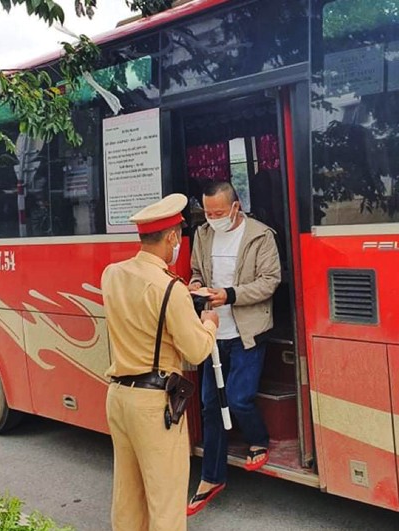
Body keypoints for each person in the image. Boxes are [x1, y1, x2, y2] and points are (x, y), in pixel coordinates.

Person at [102, 193, 219, 531]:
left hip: (119, 397)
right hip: (154, 406)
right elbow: (196, 350)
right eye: (178, 238)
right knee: (165, 502)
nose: (179, 245)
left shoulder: (112, 274)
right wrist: (209, 323)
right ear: (170, 238)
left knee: (127, 495)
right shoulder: (171, 288)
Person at [186, 181, 281, 516]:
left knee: (240, 397)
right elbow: (197, 271)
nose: (212, 219)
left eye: (219, 213)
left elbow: (270, 281)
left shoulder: (260, 235)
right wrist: (196, 285)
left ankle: (259, 440)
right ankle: (211, 478)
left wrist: (231, 294)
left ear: (236, 207)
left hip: (248, 331)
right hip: (213, 331)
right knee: (210, 405)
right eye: (208, 213)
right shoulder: (203, 234)